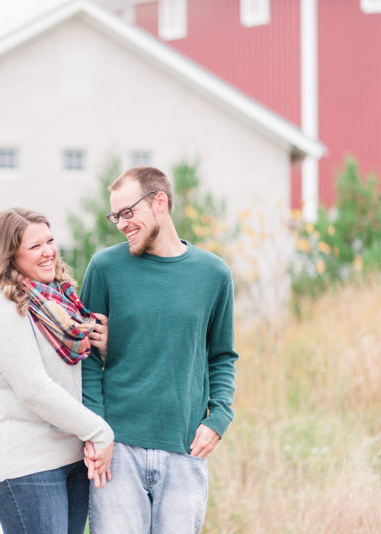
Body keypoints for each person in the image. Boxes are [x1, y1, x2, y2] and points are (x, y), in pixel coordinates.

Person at [80, 166, 239, 534]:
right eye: (115, 216)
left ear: (159, 202)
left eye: (127, 212)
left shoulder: (214, 274)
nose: (121, 223)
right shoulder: (105, 267)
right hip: (117, 450)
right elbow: (86, 356)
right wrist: (97, 431)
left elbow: (222, 356)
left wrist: (219, 419)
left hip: (184, 449)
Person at [0, 207, 115, 534]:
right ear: (10, 254)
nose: (48, 251)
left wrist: (102, 350)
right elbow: (34, 388)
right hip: (25, 464)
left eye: (49, 240)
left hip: (71, 457)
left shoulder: (60, 302)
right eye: (34, 246)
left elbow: (73, 374)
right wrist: (100, 432)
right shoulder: (1, 308)